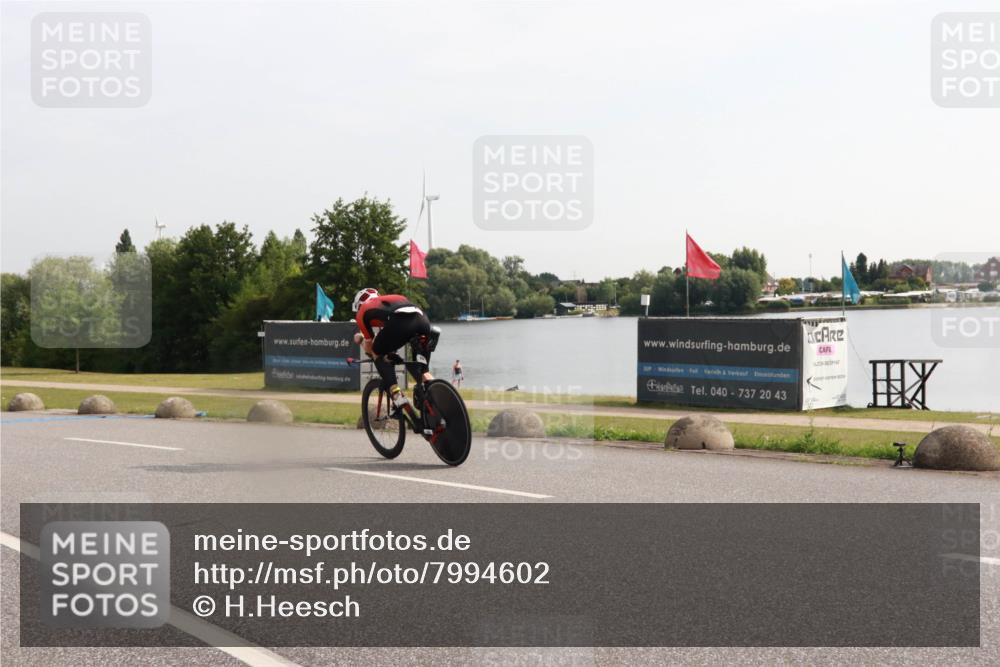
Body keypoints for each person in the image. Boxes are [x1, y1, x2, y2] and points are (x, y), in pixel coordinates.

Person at [352, 288, 434, 412]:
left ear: (358, 305)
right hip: (423, 320)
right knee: (423, 371)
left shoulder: (362, 312)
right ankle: (438, 396)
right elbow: (394, 336)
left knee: (376, 353)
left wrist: (361, 340)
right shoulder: (392, 300)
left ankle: (397, 396)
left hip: (400, 321)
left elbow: (370, 349)